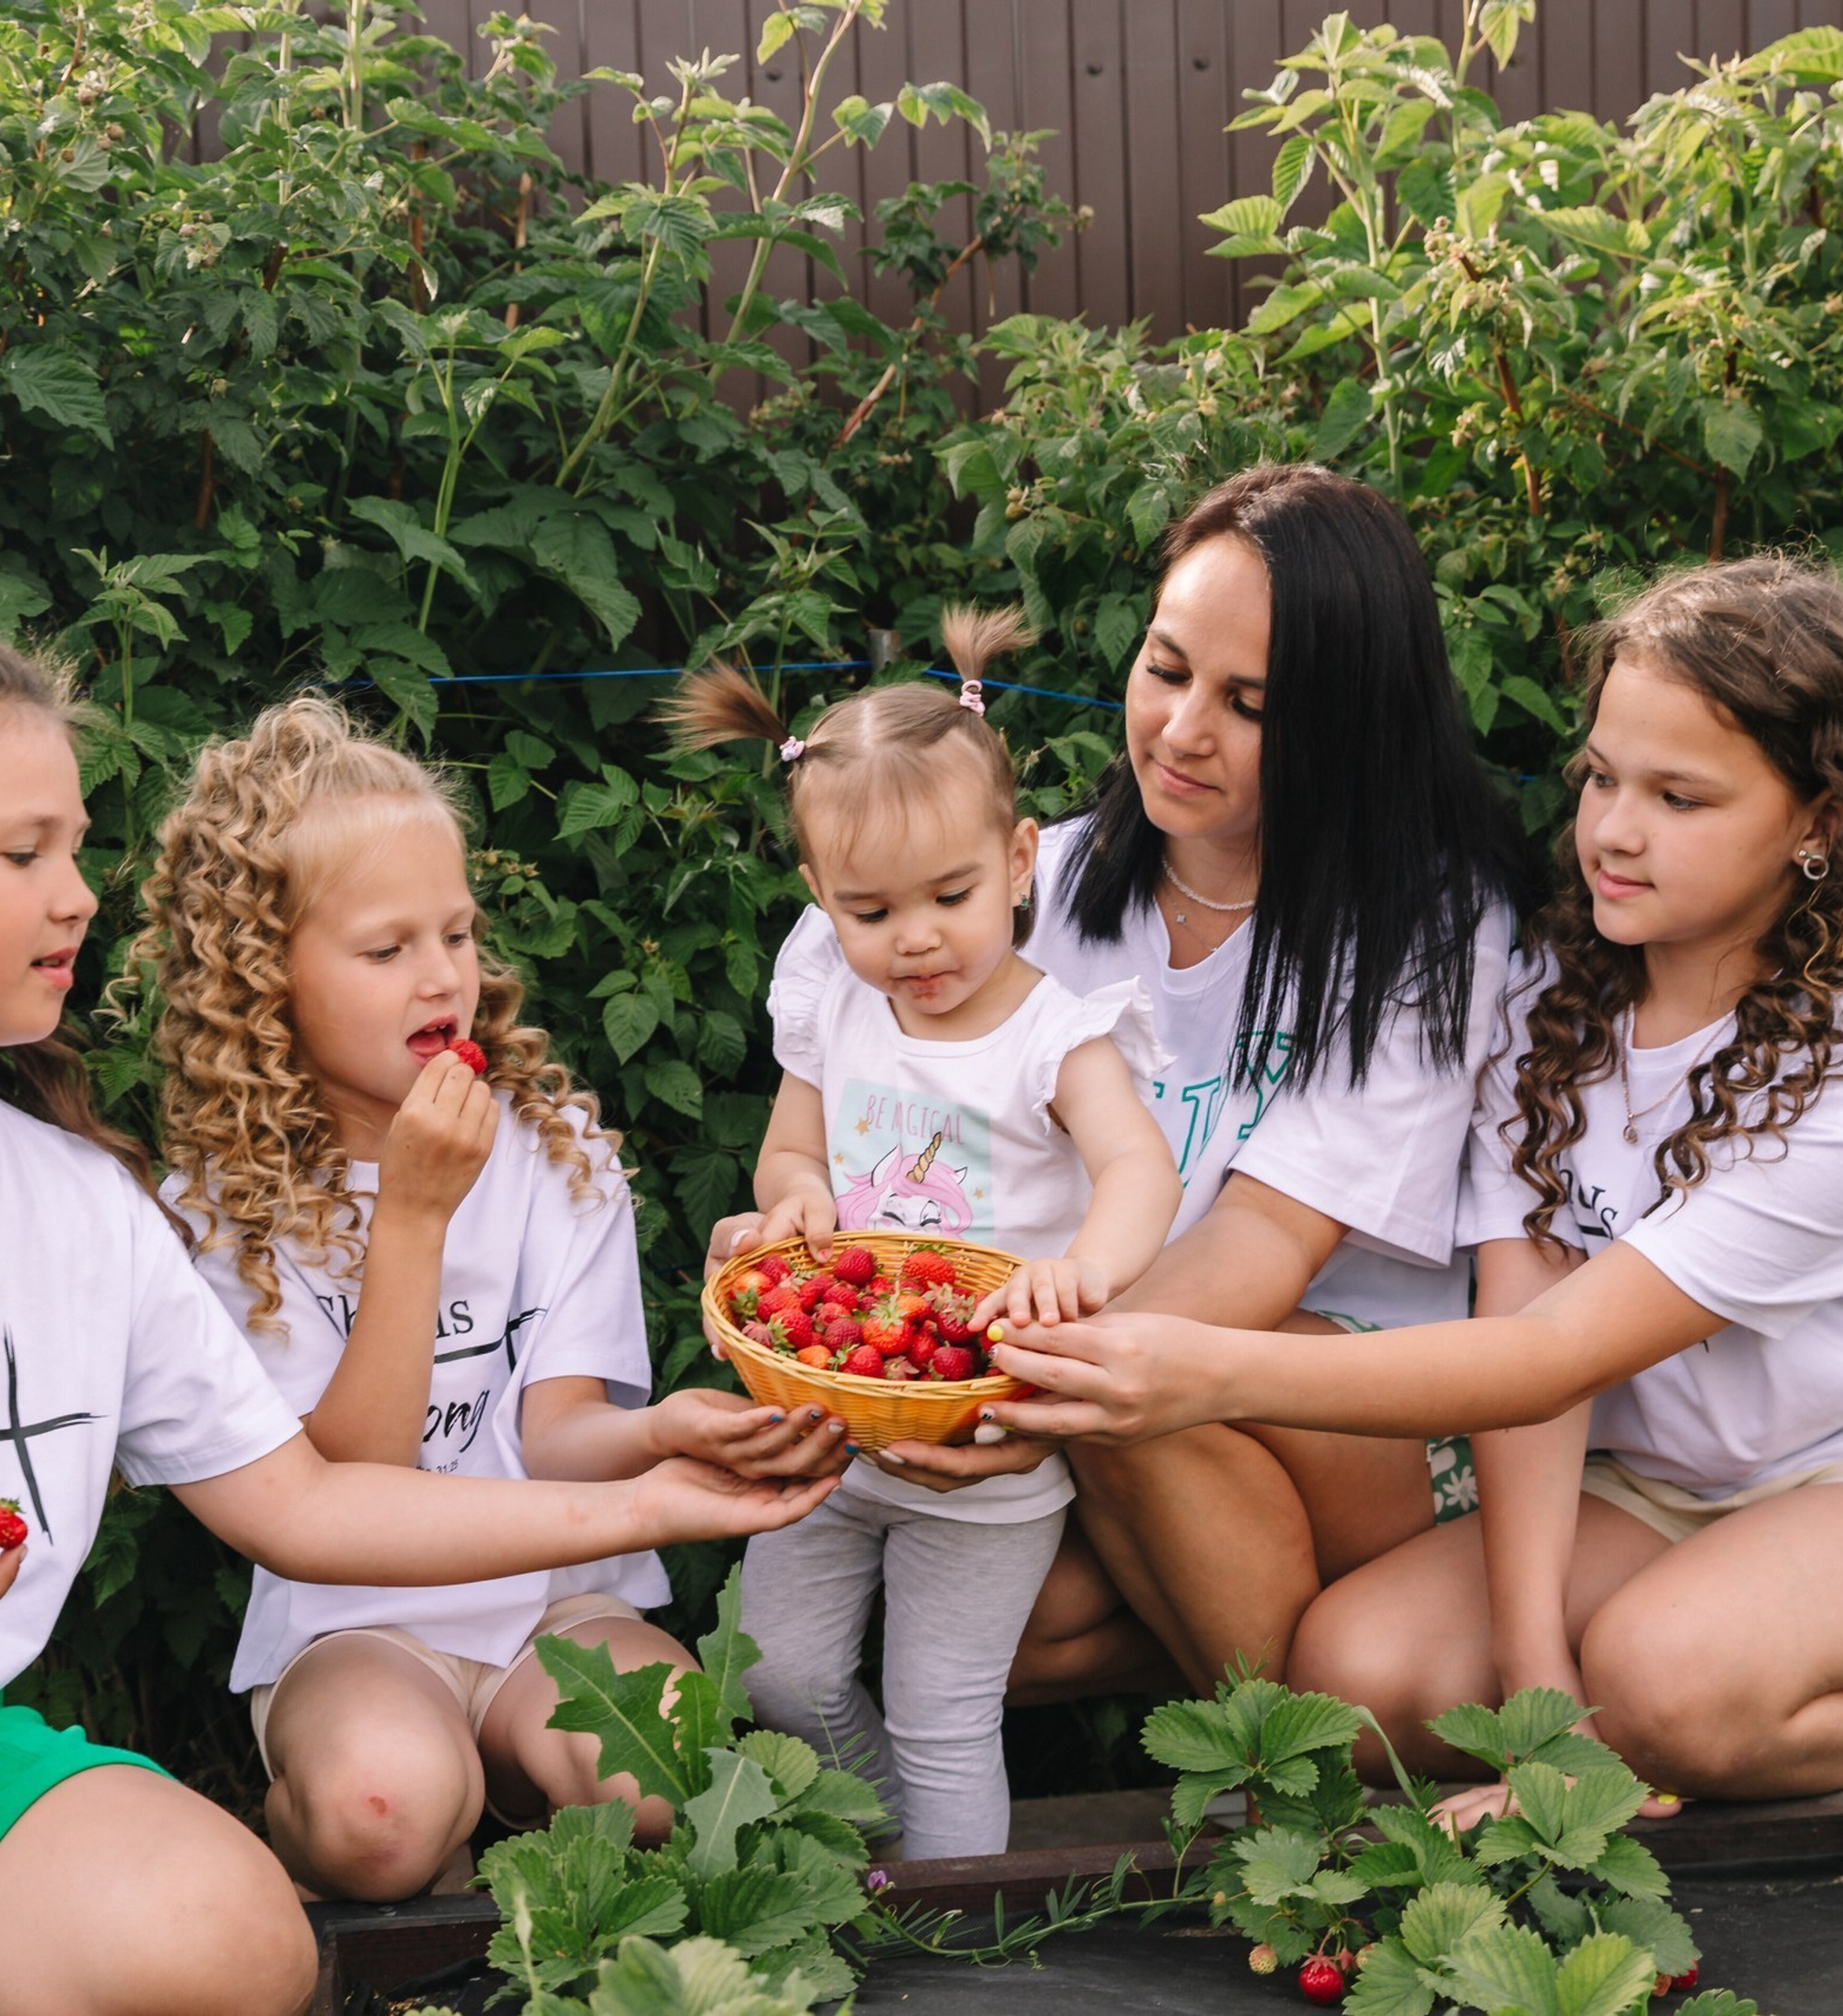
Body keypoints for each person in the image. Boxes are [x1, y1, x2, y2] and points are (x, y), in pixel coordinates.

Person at [0, 561, 836, 2016]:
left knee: (235, 1946)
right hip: (329, 1651)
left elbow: (304, 1502)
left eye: (78, 848)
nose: (79, 895)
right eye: (23, 852)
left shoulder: (78, 1206)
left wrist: (661, 1499)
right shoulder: (220, 1206)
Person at [976, 554, 1843, 1805]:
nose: (1614, 830)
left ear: (1818, 824)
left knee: (1663, 1686)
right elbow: (1529, 1346)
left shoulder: (1823, 1079)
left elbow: (1548, 1358)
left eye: (1680, 798)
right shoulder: (1556, 1000)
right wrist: (1537, 1708)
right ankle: (1662, 1716)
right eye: (1602, 777)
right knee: (1351, 1676)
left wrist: (1203, 1370)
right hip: (1644, 1487)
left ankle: (1696, 1714)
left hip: (1818, 1478)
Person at [738, 464, 1535, 1705]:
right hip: (1087, 1359)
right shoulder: (1018, 893)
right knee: (1026, 1624)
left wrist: (1015, 1390)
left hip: (1344, 1405)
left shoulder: (1423, 934)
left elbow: (1267, 1244)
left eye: (1250, 704)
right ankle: (1303, 1672)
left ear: (1352, 721)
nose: (1181, 730)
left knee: (1130, 1388)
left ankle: (1285, 1762)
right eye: (1166, 670)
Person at [133, 695, 850, 1902]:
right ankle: (340, 1857)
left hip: (556, 1609)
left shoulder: (553, 1153)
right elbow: (345, 1490)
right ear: (264, 985)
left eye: (458, 934)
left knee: (667, 1767)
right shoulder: (226, 1214)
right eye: (385, 950)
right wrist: (411, 1218)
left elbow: (555, 1433)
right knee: (379, 1816)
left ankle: (516, 1827)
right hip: (353, 1624)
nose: (442, 977)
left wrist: (660, 1433)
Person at [669, 609, 1181, 1858]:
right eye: (869, 910)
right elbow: (793, 1151)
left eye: (952, 895)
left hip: (987, 1432)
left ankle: (962, 1939)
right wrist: (796, 1199)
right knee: (778, 1675)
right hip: (836, 1416)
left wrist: (1083, 1273)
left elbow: (1139, 1168)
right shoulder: (836, 1003)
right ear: (819, 901)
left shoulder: (1055, 1037)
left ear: (1018, 860)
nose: (915, 938)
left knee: (943, 1711)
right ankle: (890, 1848)